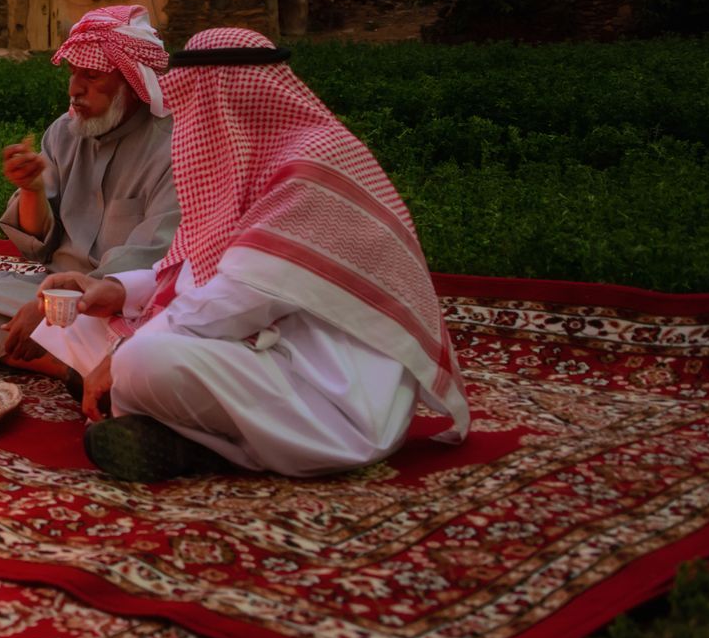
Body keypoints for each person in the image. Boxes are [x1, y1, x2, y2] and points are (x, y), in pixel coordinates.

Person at [32, 27, 470, 482]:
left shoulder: (308, 163)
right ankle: (178, 435)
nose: (185, 120)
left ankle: (199, 448)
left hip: (330, 394)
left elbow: (241, 299)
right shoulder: (245, 158)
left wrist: (123, 352)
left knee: (142, 361)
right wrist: (119, 291)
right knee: (80, 320)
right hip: (259, 345)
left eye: (195, 103)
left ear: (225, 98)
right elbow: (198, 264)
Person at [0, 5, 178, 371]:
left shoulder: (172, 147)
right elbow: (35, 245)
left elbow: (151, 261)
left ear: (133, 80)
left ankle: (54, 358)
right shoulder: (64, 132)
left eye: (92, 75)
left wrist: (52, 306)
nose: (75, 89)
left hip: (121, 299)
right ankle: (68, 362)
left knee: (157, 332)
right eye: (75, 73)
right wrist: (30, 190)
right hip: (49, 288)